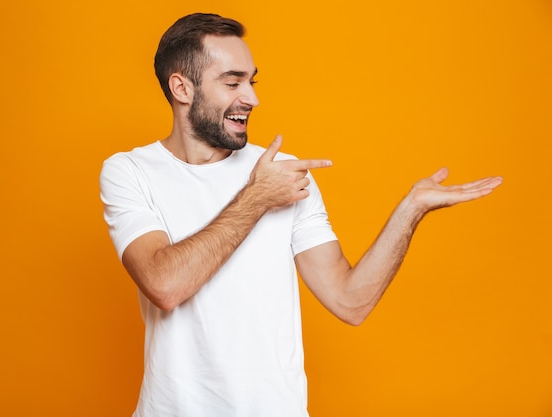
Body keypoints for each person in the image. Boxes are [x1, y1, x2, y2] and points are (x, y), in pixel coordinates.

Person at [100, 12, 502, 417]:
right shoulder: (130, 172)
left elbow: (350, 302)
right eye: (232, 82)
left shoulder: (284, 174)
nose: (252, 98)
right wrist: (256, 198)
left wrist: (410, 210)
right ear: (181, 88)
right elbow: (165, 285)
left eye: (252, 82)